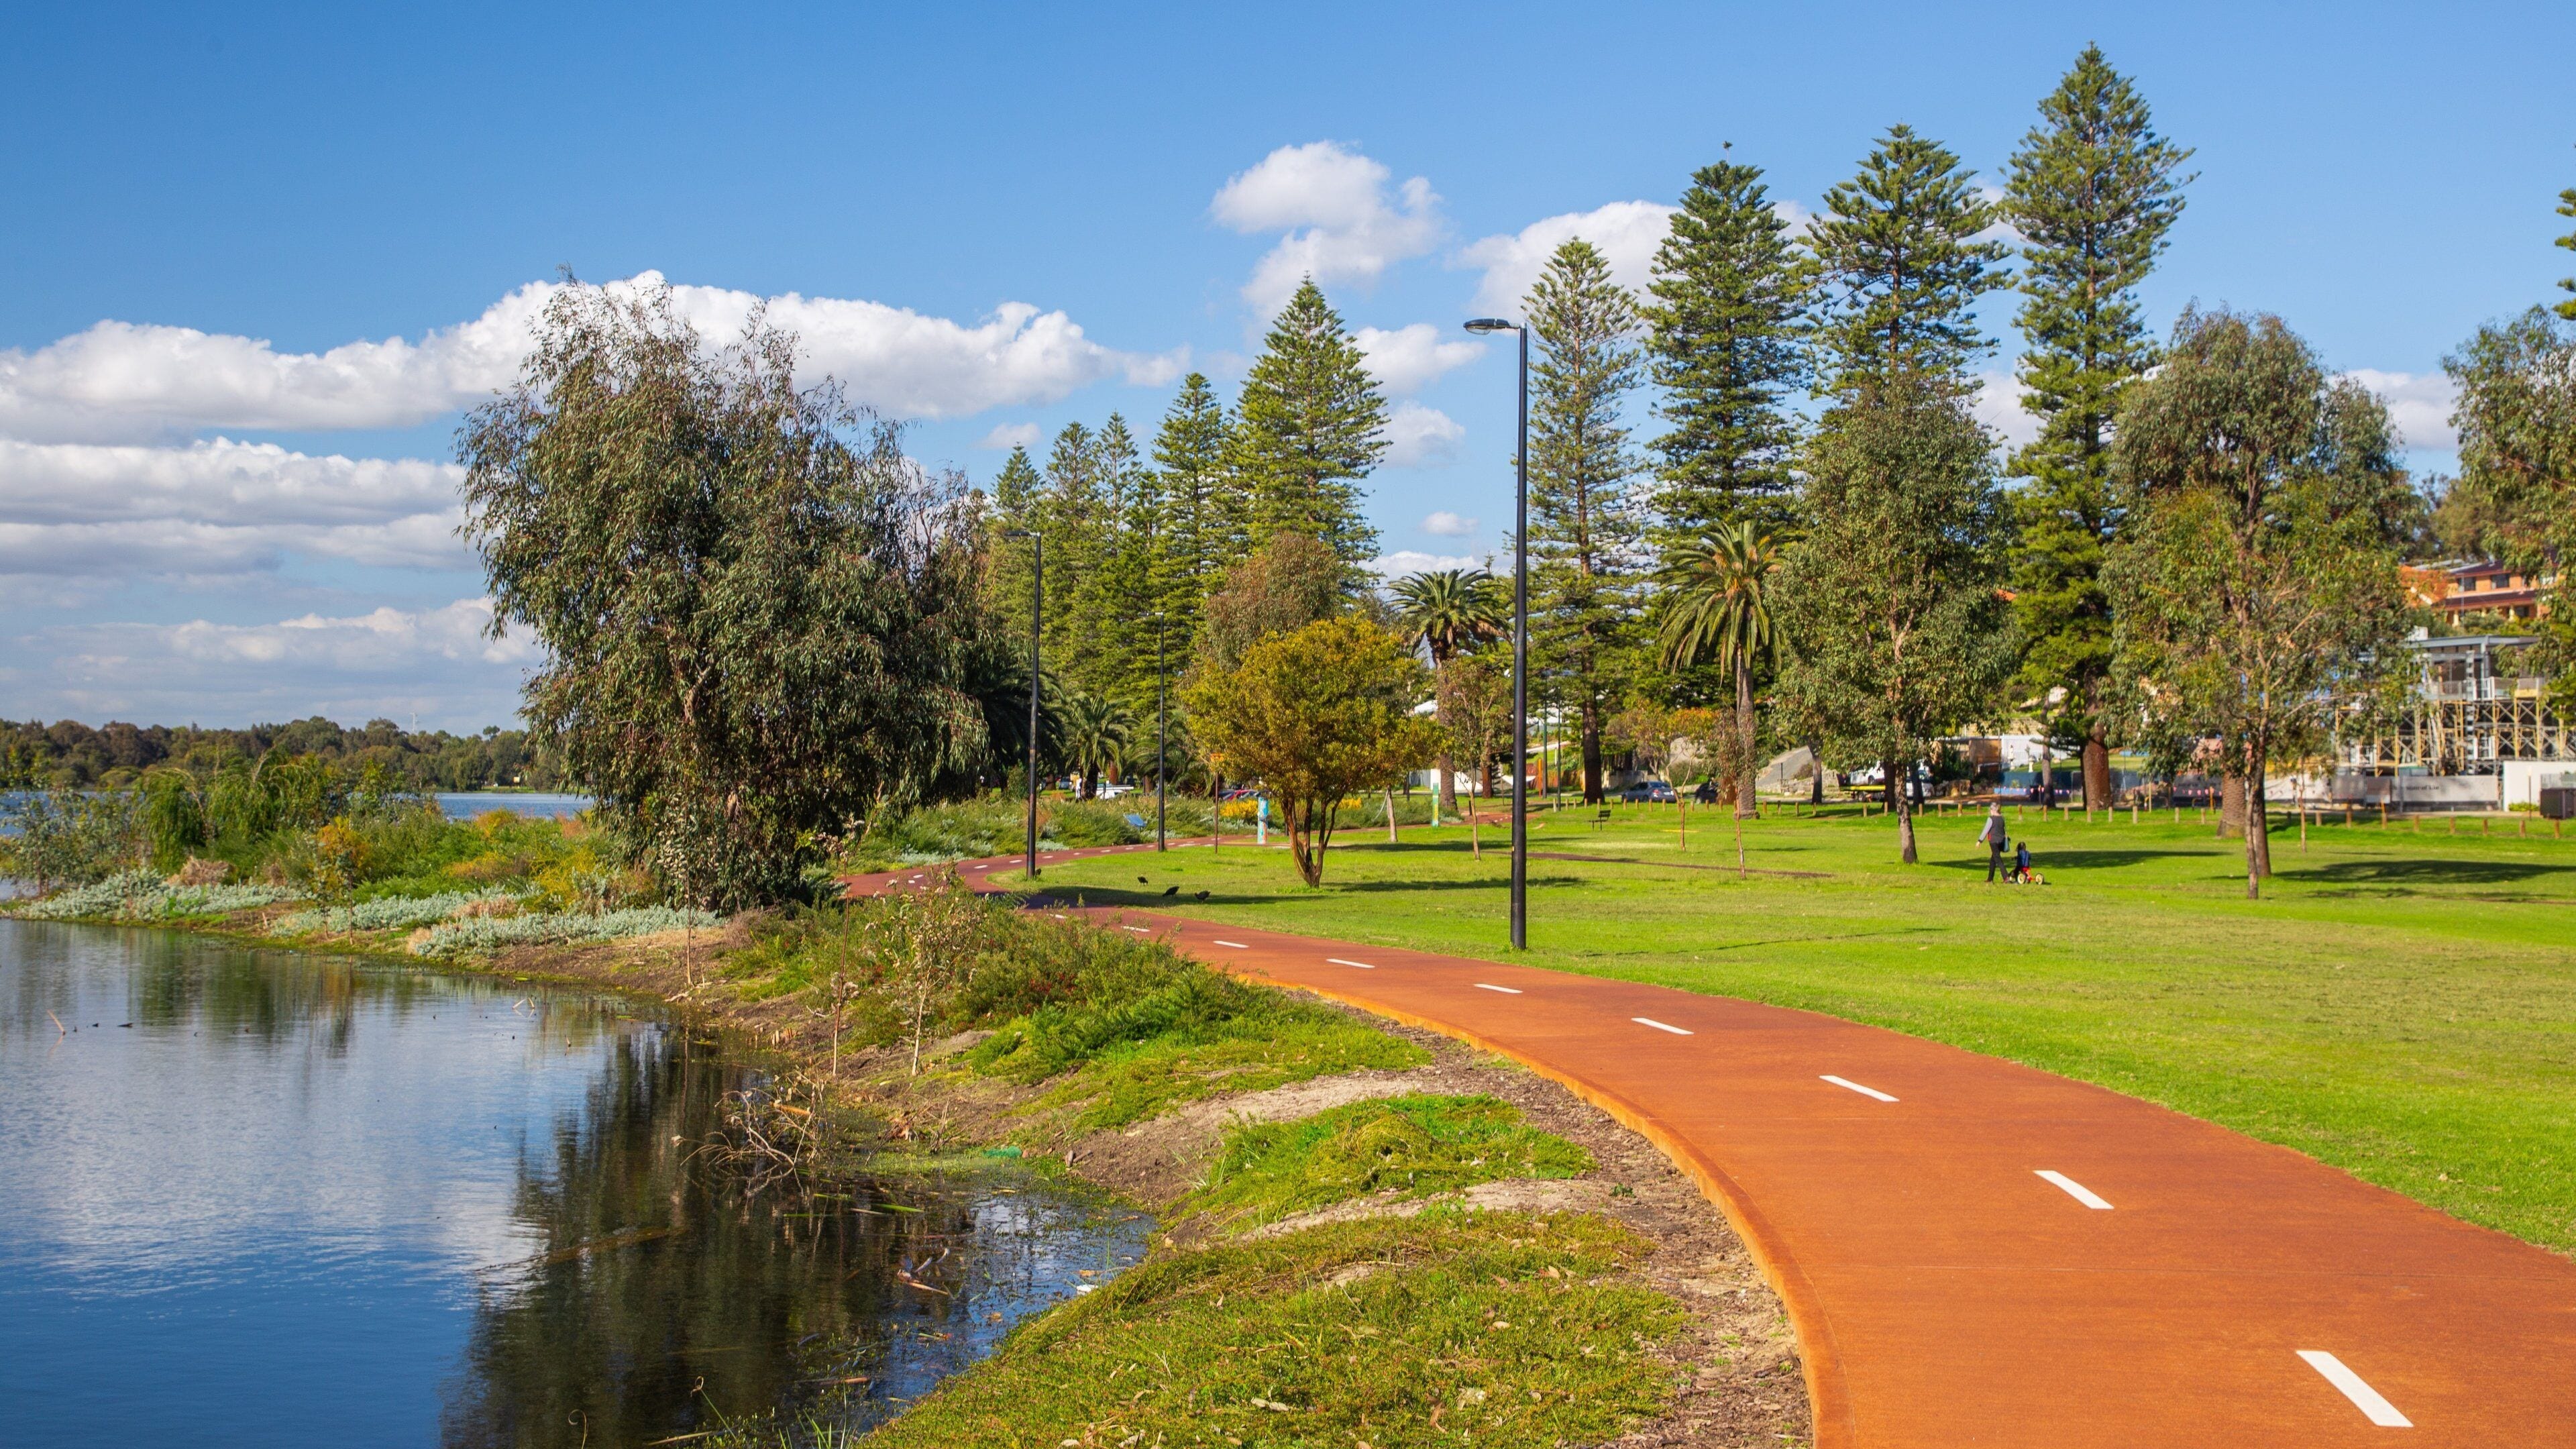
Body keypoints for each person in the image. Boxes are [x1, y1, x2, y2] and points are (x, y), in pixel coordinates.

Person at [1978, 803, 2008, 881]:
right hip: (2001, 842)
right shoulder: (2002, 818)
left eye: (1990, 810)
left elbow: (1986, 831)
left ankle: (2006, 877)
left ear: (1993, 810)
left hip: (1994, 842)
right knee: (1993, 860)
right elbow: (2004, 830)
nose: (1990, 812)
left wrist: (1980, 841)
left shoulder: (1991, 819)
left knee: (1998, 859)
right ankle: (1990, 878)